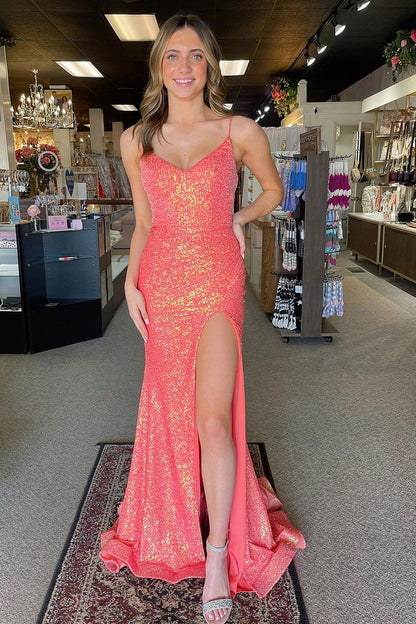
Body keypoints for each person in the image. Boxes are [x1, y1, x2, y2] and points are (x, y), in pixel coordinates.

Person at [99, 13, 305, 623]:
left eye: (195, 55)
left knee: (213, 421)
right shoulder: (136, 140)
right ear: (159, 66)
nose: (184, 67)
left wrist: (238, 218)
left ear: (210, 64)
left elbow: (273, 191)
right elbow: (145, 221)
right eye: (172, 55)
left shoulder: (238, 130)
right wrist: (131, 282)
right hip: (162, 282)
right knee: (171, 412)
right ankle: (175, 512)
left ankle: (217, 553)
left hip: (216, 279)